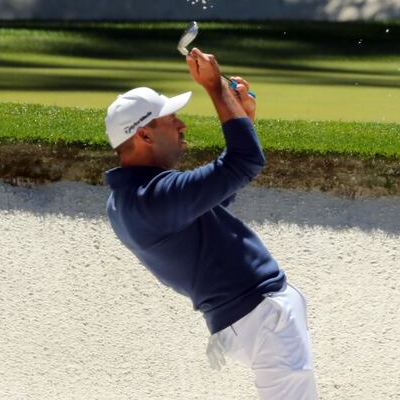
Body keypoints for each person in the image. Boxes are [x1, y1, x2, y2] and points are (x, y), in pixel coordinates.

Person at [103, 47, 318, 399]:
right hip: (261, 320)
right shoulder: (153, 198)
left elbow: (218, 192)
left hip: (248, 320)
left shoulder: (128, 198)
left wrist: (242, 118)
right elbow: (244, 161)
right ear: (143, 135)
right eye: (170, 119)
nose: (181, 124)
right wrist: (216, 89)